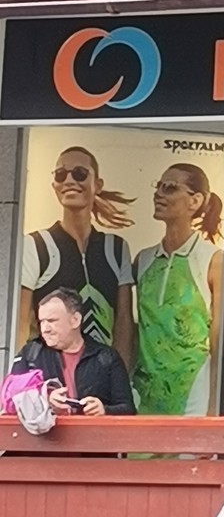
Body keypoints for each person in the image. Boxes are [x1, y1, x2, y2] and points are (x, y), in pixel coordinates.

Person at [8, 286, 135, 517]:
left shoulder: (106, 358)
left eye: (53, 320)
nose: (45, 327)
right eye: (42, 321)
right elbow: (9, 396)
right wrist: (44, 397)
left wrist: (104, 410)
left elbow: (128, 411)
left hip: (91, 474)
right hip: (41, 471)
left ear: (76, 319)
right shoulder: (31, 352)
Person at [20, 147, 135, 370]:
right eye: (61, 174)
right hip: (49, 374)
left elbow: (123, 323)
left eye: (80, 173)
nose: (69, 180)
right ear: (54, 185)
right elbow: (21, 322)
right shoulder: (36, 245)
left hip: (100, 376)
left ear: (97, 184)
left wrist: (119, 378)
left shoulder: (116, 249)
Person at [131, 164, 224, 416]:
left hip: (193, 392)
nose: (159, 194)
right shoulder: (143, 260)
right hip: (144, 391)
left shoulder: (212, 259)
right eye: (158, 187)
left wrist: (213, 407)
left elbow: (218, 338)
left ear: (195, 201)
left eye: (170, 188)